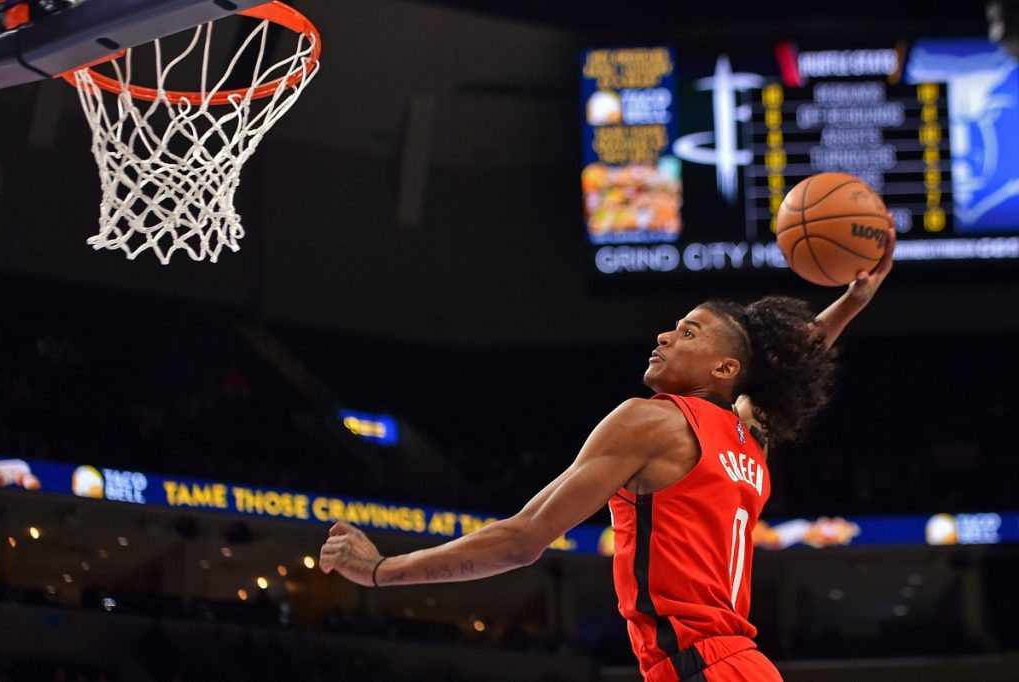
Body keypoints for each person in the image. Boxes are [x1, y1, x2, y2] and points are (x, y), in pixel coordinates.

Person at [319, 227, 896, 681]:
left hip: (699, 665)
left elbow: (523, 540)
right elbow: (789, 364)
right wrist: (851, 303)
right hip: (741, 664)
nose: (667, 336)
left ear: (725, 370)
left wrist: (379, 572)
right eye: (674, 327)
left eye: (690, 332)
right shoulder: (749, 438)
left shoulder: (654, 420)